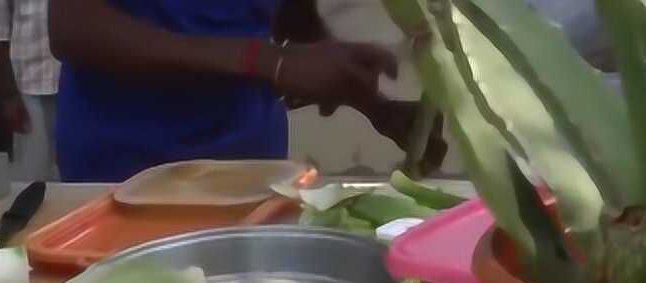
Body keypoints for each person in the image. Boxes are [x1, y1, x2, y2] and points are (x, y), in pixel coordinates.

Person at [48, 0, 424, 182]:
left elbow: (289, 17)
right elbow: (74, 27)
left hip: (251, 163)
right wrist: (266, 60)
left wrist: (373, 103)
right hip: (128, 164)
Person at [0, 0, 61, 181]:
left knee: (80, 174)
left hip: (77, 78)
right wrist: (7, 94)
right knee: (32, 175)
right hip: (28, 81)